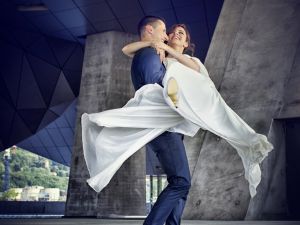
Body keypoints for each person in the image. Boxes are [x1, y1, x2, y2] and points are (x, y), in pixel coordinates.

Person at [81, 17, 273, 225]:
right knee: (181, 182)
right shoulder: (158, 56)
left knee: (181, 183)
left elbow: (195, 72)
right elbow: (127, 50)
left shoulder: (187, 61)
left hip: (179, 121)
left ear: (186, 43)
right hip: (165, 124)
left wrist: (164, 48)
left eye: (180, 34)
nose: (172, 35)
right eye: (171, 32)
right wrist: (153, 44)